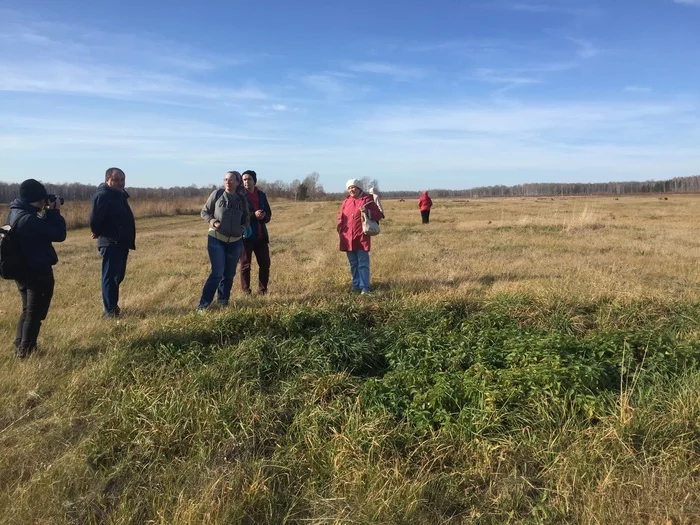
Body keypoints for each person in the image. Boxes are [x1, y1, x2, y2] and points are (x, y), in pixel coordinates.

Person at [7, 179, 66, 358]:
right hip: (36, 272)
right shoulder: (29, 220)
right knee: (34, 313)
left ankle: (20, 345)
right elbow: (58, 234)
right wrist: (54, 212)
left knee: (28, 311)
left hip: (22, 271)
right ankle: (26, 351)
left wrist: (46, 211)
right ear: (38, 198)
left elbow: (42, 231)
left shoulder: (16, 212)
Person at [198, 170, 250, 311]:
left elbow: (247, 218)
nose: (228, 182)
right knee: (217, 273)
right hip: (216, 239)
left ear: (238, 182)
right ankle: (203, 306)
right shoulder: (217, 194)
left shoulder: (241, 199)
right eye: (226, 179)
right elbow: (204, 212)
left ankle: (223, 302)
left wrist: (242, 228)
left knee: (229, 274)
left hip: (235, 241)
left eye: (231, 180)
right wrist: (214, 222)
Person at [89, 167, 136, 318]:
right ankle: (110, 312)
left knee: (117, 276)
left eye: (122, 180)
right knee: (110, 277)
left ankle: (112, 307)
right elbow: (95, 218)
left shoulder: (119, 194)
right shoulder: (103, 195)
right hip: (111, 242)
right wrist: (97, 232)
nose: (120, 183)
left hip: (121, 241)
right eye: (116, 180)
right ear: (107, 180)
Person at [337, 179, 382, 294]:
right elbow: (341, 217)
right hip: (347, 237)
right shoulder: (346, 202)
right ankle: (355, 285)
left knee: (363, 263)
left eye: (354, 187)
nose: (351, 190)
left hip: (361, 236)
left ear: (359, 188)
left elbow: (379, 215)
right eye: (349, 188)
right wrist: (340, 229)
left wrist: (367, 211)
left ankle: (364, 287)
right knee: (353, 264)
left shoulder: (367, 200)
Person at [239, 170, 272, 295]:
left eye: (249, 179)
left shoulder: (262, 195)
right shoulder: (240, 196)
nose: (246, 181)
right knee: (245, 266)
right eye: (244, 179)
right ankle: (246, 292)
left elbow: (268, 214)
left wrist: (263, 217)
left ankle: (262, 291)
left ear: (254, 180)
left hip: (261, 236)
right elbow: (239, 216)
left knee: (265, 264)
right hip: (246, 236)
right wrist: (254, 215)